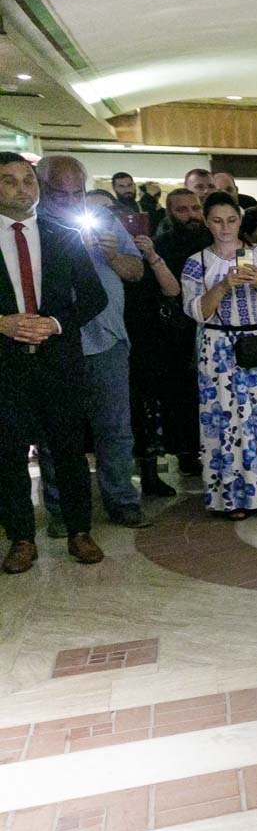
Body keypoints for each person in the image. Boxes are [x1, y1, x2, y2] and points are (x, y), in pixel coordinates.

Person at [0, 151, 107, 571]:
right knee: (8, 455)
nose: (21, 188)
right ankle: (22, 539)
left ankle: (80, 531)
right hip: (6, 365)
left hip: (58, 361)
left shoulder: (62, 233)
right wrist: (3, 323)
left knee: (69, 452)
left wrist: (57, 324)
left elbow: (95, 297)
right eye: (9, 181)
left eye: (27, 180)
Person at [35, 157, 150, 531]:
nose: (70, 200)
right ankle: (62, 510)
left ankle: (121, 500)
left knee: (115, 427)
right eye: (59, 192)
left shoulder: (104, 220)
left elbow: (135, 273)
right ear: (42, 187)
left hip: (108, 339)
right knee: (57, 432)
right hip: (55, 341)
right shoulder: (33, 226)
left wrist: (112, 253)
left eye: (77, 192)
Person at [179, 193, 257, 521]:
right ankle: (234, 497)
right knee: (227, 420)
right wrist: (223, 286)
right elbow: (196, 310)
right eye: (217, 221)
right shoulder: (197, 262)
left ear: (240, 220)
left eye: (232, 220)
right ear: (207, 222)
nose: (225, 227)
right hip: (219, 348)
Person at [114, 183, 184, 498]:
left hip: (147, 339)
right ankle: (115, 479)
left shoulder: (150, 252)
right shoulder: (94, 253)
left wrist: (151, 255)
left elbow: (172, 291)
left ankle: (150, 473)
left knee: (147, 408)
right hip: (112, 336)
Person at [154, 188, 211, 478]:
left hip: (213, 325)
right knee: (183, 395)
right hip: (178, 330)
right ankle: (187, 451)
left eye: (195, 208)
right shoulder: (161, 245)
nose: (191, 215)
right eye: (182, 210)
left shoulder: (212, 241)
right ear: (170, 213)